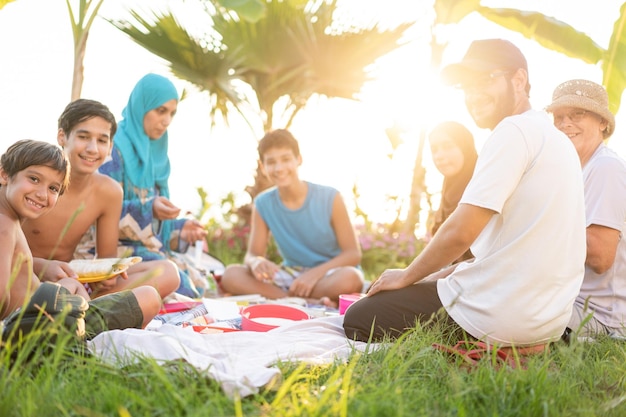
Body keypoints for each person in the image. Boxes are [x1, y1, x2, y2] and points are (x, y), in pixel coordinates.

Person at [343, 39, 587, 349]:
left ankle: (475, 345)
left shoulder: (513, 131)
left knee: (359, 317)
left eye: (485, 79)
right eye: (466, 86)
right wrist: (433, 276)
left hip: (499, 318)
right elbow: (503, 253)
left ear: (519, 80)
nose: (473, 93)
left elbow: (462, 232)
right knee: (427, 287)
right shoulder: (556, 138)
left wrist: (406, 275)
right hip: (549, 324)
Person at [22, 99, 180, 300]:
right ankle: (78, 311)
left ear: (110, 145)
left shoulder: (109, 191)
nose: (92, 149)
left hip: (71, 279)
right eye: (83, 137)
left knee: (167, 271)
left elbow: (107, 261)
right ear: (62, 136)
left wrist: (108, 275)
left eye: (102, 140)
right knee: (61, 286)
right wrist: (42, 266)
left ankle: (83, 310)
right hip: (24, 276)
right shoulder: (35, 182)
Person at [0, 139, 160, 336]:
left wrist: (43, 268)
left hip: (42, 320)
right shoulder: (4, 225)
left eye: (53, 188)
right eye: (34, 179)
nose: (42, 194)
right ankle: (88, 337)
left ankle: (87, 330)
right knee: (148, 297)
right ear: (4, 174)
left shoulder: (9, 221)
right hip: (37, 329)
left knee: (74, 285)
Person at [219, 129, 364, 307]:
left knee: (350, 279)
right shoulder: (262, 203)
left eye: (286, 159)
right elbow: (253, 254)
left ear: (298, 159)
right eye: (271, 162)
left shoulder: (331, 197)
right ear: (263, 166)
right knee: (231, 275)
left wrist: (314, 275)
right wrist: (256, 261)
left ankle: (284, 298)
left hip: (330, 274)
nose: (279, 168)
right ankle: (296, 301)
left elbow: (353, 254)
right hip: (291, 275)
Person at [98, 73, 208, 298]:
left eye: (172, 113)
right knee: (184, 288)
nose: (167, 120)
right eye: (160, 111)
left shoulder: (157, 154)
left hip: (146, 249)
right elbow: (98, 211)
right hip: (108, 252)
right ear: (142, 106)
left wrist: (181, 228)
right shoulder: (111, 148)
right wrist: (149, 207)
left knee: (202, 285)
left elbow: (155, 225)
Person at [546, 79, 626, 340]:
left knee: (501, 303)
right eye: (559, 117)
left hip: (601, 318)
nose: (565, 123)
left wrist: (533, 238)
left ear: (603, 122)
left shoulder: (605, 167)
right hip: (572, 303)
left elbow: (601, 257)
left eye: (577, 114)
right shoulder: (573, 173)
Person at [427, 121, 477, 263]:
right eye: (434, 149)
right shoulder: (448, 192)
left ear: (465, 148)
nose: (439, 155)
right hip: (451, 276)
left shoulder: (482, 189)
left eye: (448, 146)